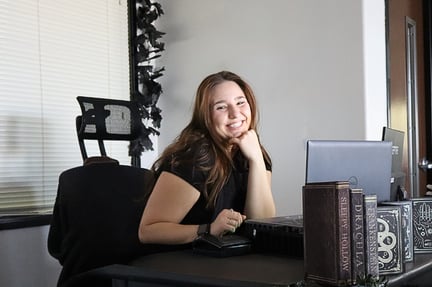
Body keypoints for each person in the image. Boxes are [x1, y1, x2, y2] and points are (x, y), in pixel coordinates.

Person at [138, 71, 275, 247]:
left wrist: (256, 160)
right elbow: (148, 231)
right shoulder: (193, 159)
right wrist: (208, 229)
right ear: (206, 116)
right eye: (221, 107)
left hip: (229, 258)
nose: (235, 113)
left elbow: (261, 225)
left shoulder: (254, 153)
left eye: (240, 102)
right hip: (180, 260)